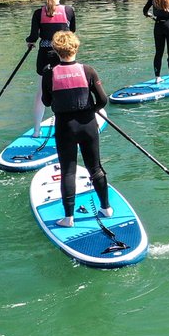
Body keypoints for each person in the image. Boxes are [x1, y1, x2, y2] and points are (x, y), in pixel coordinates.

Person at [39, 30, 112, 228]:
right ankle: (106, 208)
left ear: (56, 50)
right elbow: (103, 100)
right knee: (95, 168)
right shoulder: (88, 70)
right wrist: (91, 110)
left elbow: (46, 101)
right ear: (76, 47)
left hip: (65, 127)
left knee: (68, 172)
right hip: (88, 124)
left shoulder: (49, 73)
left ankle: (68, 218)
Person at [26, 0, 75, 138]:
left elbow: (33, 37)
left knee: (41, 92)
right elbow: (71, 31)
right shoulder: (69, 10)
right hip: (63, 56)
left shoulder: (38, 13)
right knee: (64, 91)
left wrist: (30, 42)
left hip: (44, 56)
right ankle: (65, 126)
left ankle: (36, 131)